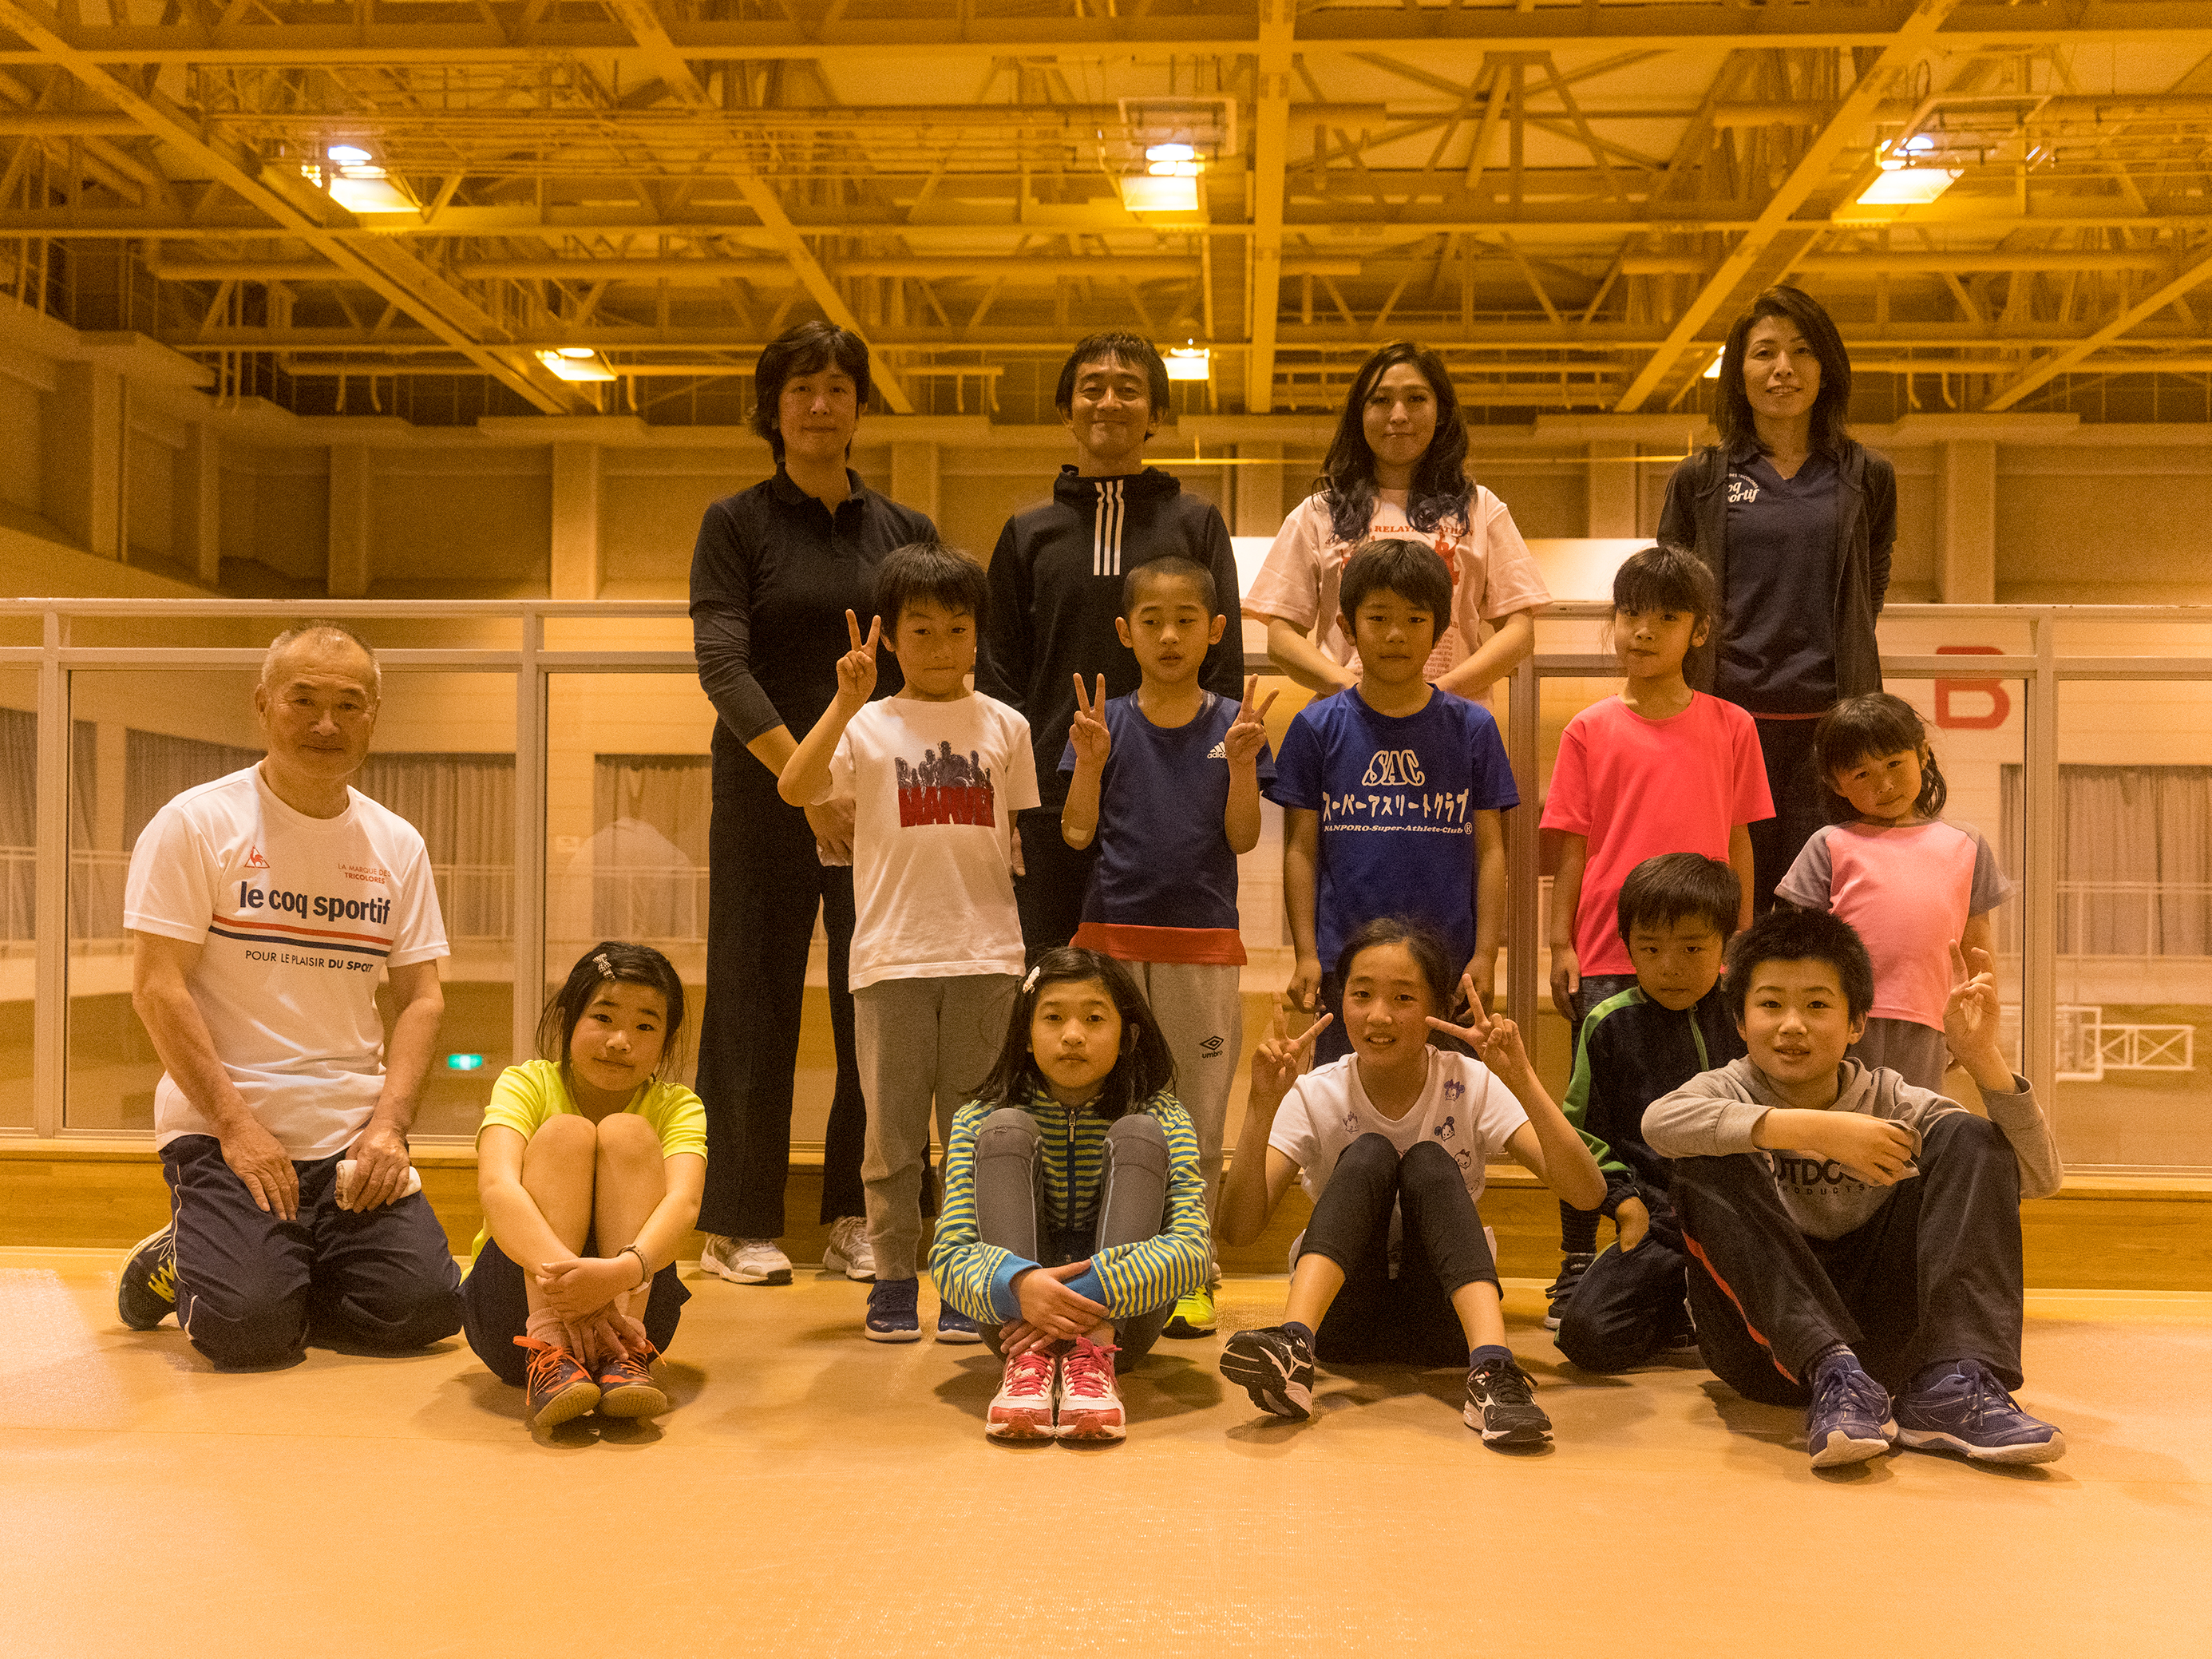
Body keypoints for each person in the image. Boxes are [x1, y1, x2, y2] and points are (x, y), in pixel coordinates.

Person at [115, 622, 461, 1369]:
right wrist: (237, 1126)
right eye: (302, 699)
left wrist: (390, 1130)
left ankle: (266, 1262)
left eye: (348, 703)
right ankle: (185, 1258)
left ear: (373, 716)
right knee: (247, 1333)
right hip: (226, 1132)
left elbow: (422, 998)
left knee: (428, 1308)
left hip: (350, 1139)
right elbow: (156, 988)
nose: (325, 722)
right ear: (263, 706)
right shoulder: (197, 823)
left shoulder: (396, 844)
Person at [689, 319, 937, 1290]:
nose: (821, 405)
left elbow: (932, 661)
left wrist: (856, 790)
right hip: (763, 794)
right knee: (751, 1004)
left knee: (870, 1004)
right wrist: (807, 784)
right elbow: (722, 662)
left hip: (881, 804)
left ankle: (856, 1211)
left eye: (838, 387)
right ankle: (737, 1219)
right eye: (801, 389)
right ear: (773, 409)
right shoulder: (736, 522)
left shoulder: (903, 532)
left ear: (862, 406)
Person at [1644, 909, 2066, 1468]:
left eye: (1817, 1005)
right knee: (1706, 1159)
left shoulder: (1892, 1100)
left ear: (1855, 1024)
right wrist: (1820, 1130)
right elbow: (1658, 1124)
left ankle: (1951, 1386)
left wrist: (1982, 1059)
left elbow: (2038, 1177)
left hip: (1887, 1349)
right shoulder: (1723, 1089)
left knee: (1968, 1135)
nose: (1791, 1025)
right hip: (1768, 1354)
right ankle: (1832, 1372)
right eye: (1770, 1004)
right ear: (1740, 1022)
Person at [1216, 919, 1606, 1447]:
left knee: (1427, 1159)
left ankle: (1492, 1372)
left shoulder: (1468, 1081)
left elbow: (1587, 1193)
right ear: (1340, 1000)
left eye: (1402, 997)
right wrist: (1261, 1106)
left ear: (1438, 1010)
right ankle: (1292, 1347)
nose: (1378, 1016)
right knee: (1370, 1152)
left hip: (1444, 1322)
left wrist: (1523, 1080)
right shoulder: (1316, 1093)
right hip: (1342, 1321)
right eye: (1361, 994)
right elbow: (1237, 1230)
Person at [780, 542, 1035, 1344]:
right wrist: (839, 700)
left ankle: (964, 1281)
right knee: (889, 1140)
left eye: (956, 630)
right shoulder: (865, 725)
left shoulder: (1007, 726)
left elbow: (1015, 839)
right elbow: (793, 787)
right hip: (889, 957)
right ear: (888, 636)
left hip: (986, 955)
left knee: (975, 1137)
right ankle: (893, 1279)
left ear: (976, 636)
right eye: (919, 630)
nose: (939, 646)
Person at [1537, 545, 1770, 1323]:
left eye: (1664, 616)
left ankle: (1698, 1267)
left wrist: (1739, 939)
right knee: (1594, 1116)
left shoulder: (1731, 725)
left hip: (1703, 956)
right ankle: (1577, 1260)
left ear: (1696, 629)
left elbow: (1739, 841)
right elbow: (1569, 843)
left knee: (1700, 1105)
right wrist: (1558, 942)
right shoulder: (1587, 727)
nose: (1642, 630)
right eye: (1630, 613)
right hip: (1609, 950)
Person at [1059, 556, 1275, 1340]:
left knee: (1196, 1117)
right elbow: (1076, 832)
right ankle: (1103, 1265)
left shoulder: (1233, 725)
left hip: (1205, 950)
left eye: (1186, 618)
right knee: (1107, 1110)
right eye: (1151, 620)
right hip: (1111, 947)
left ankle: (1192, 1271)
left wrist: (1245, 763)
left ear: (1215, 630)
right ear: (1125, 633)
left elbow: (1243, 836)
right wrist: (1086, 762)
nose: (1169, 634)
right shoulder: (1104, 720)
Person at [976, 331, 1244, 959]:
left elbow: (1222, 666)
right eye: (1091, 388)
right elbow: (997, 672)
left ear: (1156, 415)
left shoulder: (1195, 522)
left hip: (1169, 798)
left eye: (1129, 390)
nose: (1108, 402)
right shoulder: (1027, 532)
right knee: (1050, 984)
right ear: (1066, 409)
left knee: (1159, 993)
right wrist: (1008, 796)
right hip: (1049, 798)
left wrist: (1215, 781)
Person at [1657, 284, 1897, 912]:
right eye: (1764, 353)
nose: (1783, 369)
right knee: (1724, 903)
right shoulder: (1700, 480)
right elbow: (1670, 595)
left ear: (1826, 369)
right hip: (1727, 723)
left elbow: (1868, 583)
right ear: (1739, 373)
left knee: (1818, 904)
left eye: (1800, 352)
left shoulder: (1866, 475)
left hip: (1828, 729)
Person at [929, 948, 1209, 1443]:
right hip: (1014, 1326)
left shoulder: (1164, 1113)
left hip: (1121, 1325)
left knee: (1140, 1132)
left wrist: (1076, 1300)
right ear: (1026, 1037)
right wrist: (1021, 1288)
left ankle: (1092, 1361)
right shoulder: (978, 1116)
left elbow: (1193, 1252)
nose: (1073, 1034)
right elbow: (949, 1258)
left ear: (1127, 1036)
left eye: (1095, 1018)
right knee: (1005, 1129)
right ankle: (1028, 1369)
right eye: (1053, 1017)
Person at [1267, 537, 1519, 1065]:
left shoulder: (1473, 729)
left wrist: (1486, 955)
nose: (1396, 634)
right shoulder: (1315, 727)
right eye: (1378, 617)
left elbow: (1492, 851)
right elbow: (1300, 850)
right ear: (1347, 627)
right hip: (1346, 969)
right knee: (1344, 1116)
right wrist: (1307, 954)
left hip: (1446, 971)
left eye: (1414, 618)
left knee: (1449, 1116)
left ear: (1440, 629)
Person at [461, 943, 705, 1431]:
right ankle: (552, 1347)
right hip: (515, 1319)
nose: (620, 1041)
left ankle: (621, 1359)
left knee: (628, 1133)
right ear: (570, 1019)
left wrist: (615, 1275)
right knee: (565, 1133)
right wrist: (575, 1289)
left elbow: (685, 1203)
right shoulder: (525, 1084)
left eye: (645, 1026)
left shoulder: (678, 1104)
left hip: (634, 1317)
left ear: (666, 1041)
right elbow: (496, 1185)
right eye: (603, 1018)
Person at [1243, 339, 1548, 701]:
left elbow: (1519, 630)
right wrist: (1351, 689)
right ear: (1360, 413)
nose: (1399, 415)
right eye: (1381, 400)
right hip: (1349, 725)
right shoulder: (1318, 513)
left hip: (1451, 725)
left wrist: (1437, 694)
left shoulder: (1481, 508)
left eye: (1417, 399)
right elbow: (1281, 637)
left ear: (1441, 412)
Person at [1549, 854, 1747, 1369]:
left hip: (1742, 1218)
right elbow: (1581, 1133)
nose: (1669, 967)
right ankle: (1680, 1306)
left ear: (1725, 945)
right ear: (1628, 946)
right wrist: (1625, 1202)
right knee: (1586, 1336)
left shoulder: (1748, 1013)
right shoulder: (1608, 1023)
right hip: (1655, 1217)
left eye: (1692, 948)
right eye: (1650, 949)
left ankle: (1700, 1305)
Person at [1778, 692, 2010, 1095]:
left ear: (1921, 755)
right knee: (1840, 1123)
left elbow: (1978, 946)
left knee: (1915, 1127)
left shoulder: (1966, 843)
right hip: (1841, 1016)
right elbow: (1794, 939)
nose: (1884, 784)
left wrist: (1974, 1020)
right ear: (1836, 783)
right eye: (1861, 775)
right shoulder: (1829, 843)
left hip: (1930, 1015)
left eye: (1893, 764)